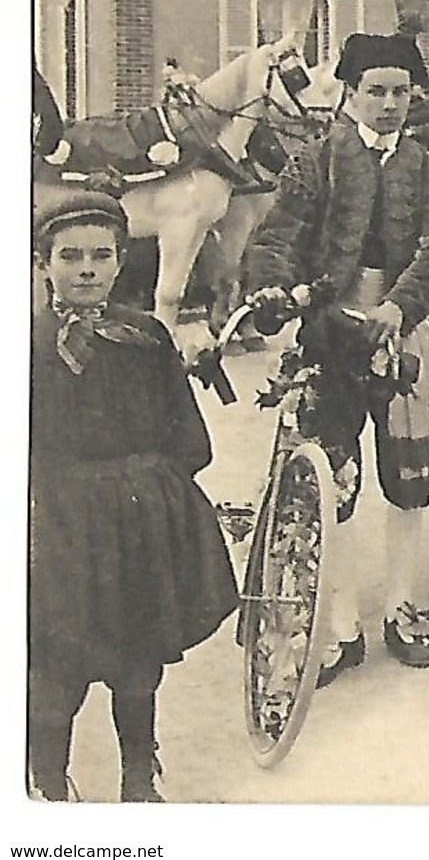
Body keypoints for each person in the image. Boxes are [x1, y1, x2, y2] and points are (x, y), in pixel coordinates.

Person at [244, 32, 429, 685]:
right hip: (327, 331)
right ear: (350, 94)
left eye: (401, 92)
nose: (389, 104)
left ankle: (398, 607)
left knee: (407, 478)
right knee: (327, 478)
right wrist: (277, 288)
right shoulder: (315, 161)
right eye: (377, 92)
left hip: (404, 330)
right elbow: (278, 235)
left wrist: (399, 308)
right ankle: (338, 625)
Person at [29, 191, 239, 801]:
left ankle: (139, 782)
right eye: (70, 257)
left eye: (102, 255)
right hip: (57, 521)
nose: (87, 269)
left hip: (137, 519)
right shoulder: (27, 346)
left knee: (136, 656)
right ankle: (46, 784)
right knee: (55, 660)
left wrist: (158, 491)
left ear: (122, 262)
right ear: (44, 266)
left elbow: (189, 438)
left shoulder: (146, 336)